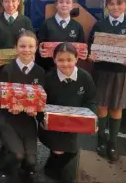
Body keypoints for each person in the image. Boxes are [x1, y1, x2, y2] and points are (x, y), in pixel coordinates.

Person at [88, 0, 126, 162]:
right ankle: (101, 141)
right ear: (107, 6)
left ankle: (112, 144)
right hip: (103, 71)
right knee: (102, 107)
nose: (115, 7)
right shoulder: (100, 25)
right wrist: (90, 54)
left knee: (116, 108)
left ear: (125, 5)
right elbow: (91, 44)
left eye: (119, 4)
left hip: (123, 73)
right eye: (111, 4)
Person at [38, 42, 97, 183]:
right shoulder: (49, 78)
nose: (65, 64)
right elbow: (40, 103)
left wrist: (93, 118)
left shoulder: (85, 77)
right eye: (61, 60)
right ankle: (52, 169)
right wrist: (42, 119)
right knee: (59, 152)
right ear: (54, 60)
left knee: (72, 151)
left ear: (77, 59)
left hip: (74, 124)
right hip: (52, 126)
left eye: (70, 60)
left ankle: (52, 167)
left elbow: (91, 100)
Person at [0, 30, 46, 183]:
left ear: (36, 47)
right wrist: (9, 106)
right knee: (18, 154)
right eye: (22, 46)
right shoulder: (8, 70)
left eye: (31, 46)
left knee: (31, 161)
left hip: (28, 121)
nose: (27, 50)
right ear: (16, 48)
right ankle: (4, 168)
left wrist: (37, 113)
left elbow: (41, 101)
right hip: (9, 119)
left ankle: (26, 167)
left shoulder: (40, 72)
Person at [0, 0, 34, 70]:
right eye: (6, 1)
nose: (10, 5)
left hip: (22, 65)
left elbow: (33, 42)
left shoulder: (25, 21)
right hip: (2, 67)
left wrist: (32, 53)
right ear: (2, 2)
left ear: (19, 1)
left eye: (13, 1)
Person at [37, 0, 87, 71]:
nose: (64, 5)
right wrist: (40, 50)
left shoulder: (78, 27)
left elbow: (81, 49)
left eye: (68, 2)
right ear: (56, 5)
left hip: (69, 70)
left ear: (72, 6)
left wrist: (84, 53)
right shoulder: (47, 24)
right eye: (61, 2)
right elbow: (39, 45)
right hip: (49, 69)